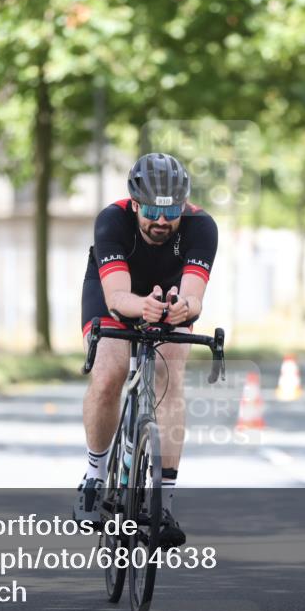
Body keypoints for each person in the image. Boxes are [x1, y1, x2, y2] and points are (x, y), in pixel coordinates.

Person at [75, 152, 218, 548]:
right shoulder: (112, 220)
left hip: (170, 300)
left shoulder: (201, 226)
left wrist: (182, 309)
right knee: (109, 372)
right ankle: (95, 476)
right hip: (114, 295)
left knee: (169, 377)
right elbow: (118, 297)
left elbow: (194, 297)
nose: (161, 220)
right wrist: (143, 306)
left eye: (171, 210)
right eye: (152, 209)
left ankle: (163, 502)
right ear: (135, 203)